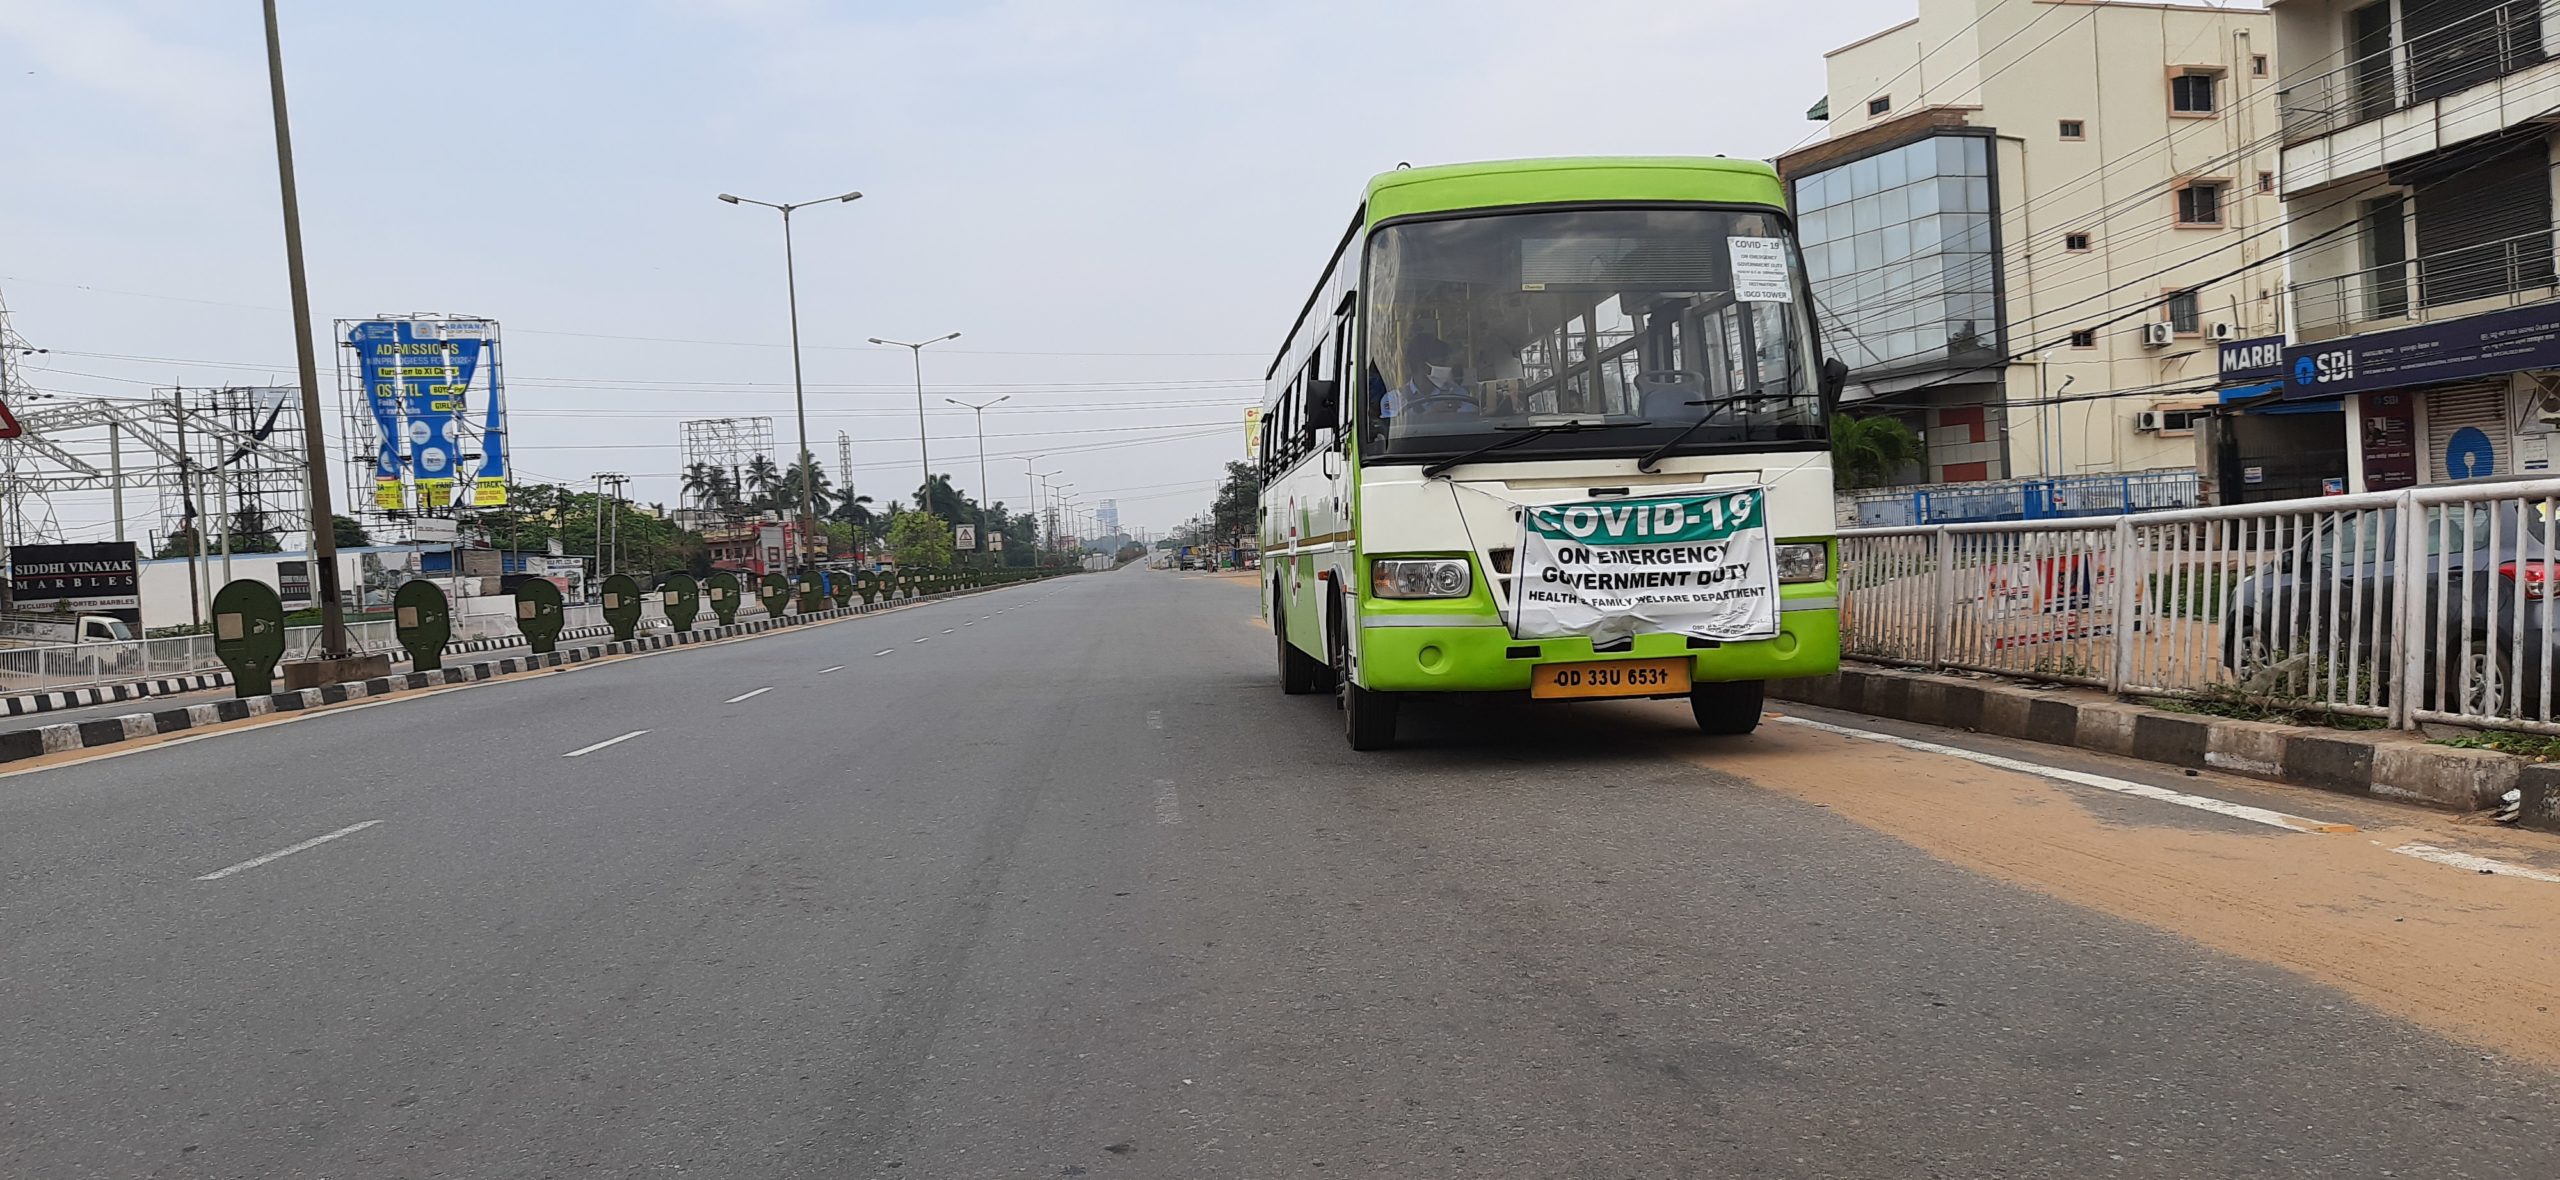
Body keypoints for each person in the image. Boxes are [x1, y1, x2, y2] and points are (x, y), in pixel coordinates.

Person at [1378, 333, 1477, 420]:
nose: (1447, 368)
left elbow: (1468, 423)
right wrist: (1432, 414)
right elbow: (1393, 432)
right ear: (1424, 366)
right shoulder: (1393, 400)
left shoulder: (1457, 395)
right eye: (1441, 363)